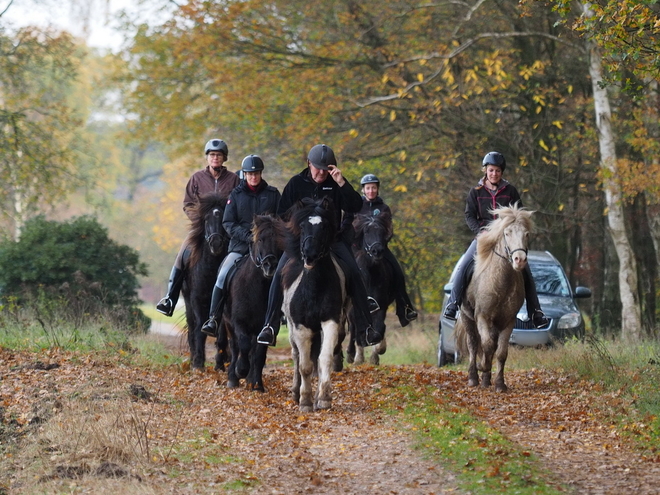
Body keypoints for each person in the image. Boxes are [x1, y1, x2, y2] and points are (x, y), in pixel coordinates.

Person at [256, 144, 381, 347]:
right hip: (300, 242)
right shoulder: (296, 183)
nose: (321, 172)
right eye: (318, 167)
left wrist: (342, 183)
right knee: (279, 273)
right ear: (309, 164)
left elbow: (356, 206)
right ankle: (270, 326)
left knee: (354, 272)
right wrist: (298, 221)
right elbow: (282, 213)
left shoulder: (335, 184)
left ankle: (366, 327)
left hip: (332, 241)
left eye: (326, 168)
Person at [442, 151, 549, 328]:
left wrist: (516, 229)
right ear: (486, 171)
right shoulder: (475, 192)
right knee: (464, 265)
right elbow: (469, 215)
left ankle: (536, 312)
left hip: (507, 240)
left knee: (526, 271)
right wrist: (480, 232)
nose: (494, 174)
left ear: (501, 172)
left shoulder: (510, 191)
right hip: (484, 238)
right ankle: (453, 305)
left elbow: (519, 215)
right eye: (491, 170)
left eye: (498, 171)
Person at [156, 139, 240, 316]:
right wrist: (200, 222)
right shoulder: (196, 178)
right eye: (211, 155)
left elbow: (238, 204)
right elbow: (187, 204)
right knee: (182, 254)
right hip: (202, 229)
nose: (215, 158)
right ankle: (169, 298)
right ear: (207, 158)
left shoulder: (233, 179)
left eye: (218, 155)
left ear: (224, 158)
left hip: (226, 230)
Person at [200, 154, 281, 336]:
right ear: (244, 174)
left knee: (284, 272)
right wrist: (248, 236)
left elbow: (280, 220)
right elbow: (228, 222)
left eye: (256, 173)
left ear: (261, 174)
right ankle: (213, 318)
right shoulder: (235, 195)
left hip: (267, 248)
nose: (253, 177)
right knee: (222, 275)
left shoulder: (273, 194)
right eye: (250, 174)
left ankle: (279, 315)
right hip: (240, 247)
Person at [358, 174, 418, 327]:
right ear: (363, 190)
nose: (371, 191)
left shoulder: (384, 208)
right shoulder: (357, 206)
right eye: (368, 188)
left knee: (397, 272)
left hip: (380, 248)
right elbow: (351, 227)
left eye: (373, 188)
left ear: (377, 189)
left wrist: (381, 243)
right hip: (359, 249)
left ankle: (405, 308)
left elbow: (389, 229)